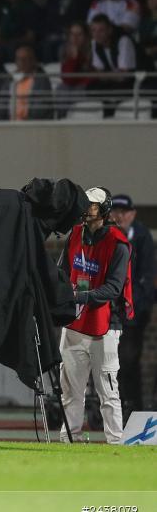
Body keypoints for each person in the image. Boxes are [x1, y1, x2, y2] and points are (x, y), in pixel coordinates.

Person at [57, 187, 133, 444]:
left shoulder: (118, 243)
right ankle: (69, 440)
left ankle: (115, 443)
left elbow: (113, 288)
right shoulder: (75, 234)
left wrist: (78, 297)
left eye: (91, 205)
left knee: (108, 392)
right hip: (75, 323)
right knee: (70, 392)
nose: (86, 208)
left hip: (105, 327)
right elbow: (62, 271)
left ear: (103, 209)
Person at [109, 195, 156, 417]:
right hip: (111, 310)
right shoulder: (108, 236)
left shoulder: (142, 237)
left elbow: (147, 277)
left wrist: (132, 305)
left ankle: (133, 408)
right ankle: (118, 408)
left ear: (132, 214)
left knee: (128, 360)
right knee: (113, 362)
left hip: (133, 311)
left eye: (123, 212)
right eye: (114, 211)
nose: (119, 216)